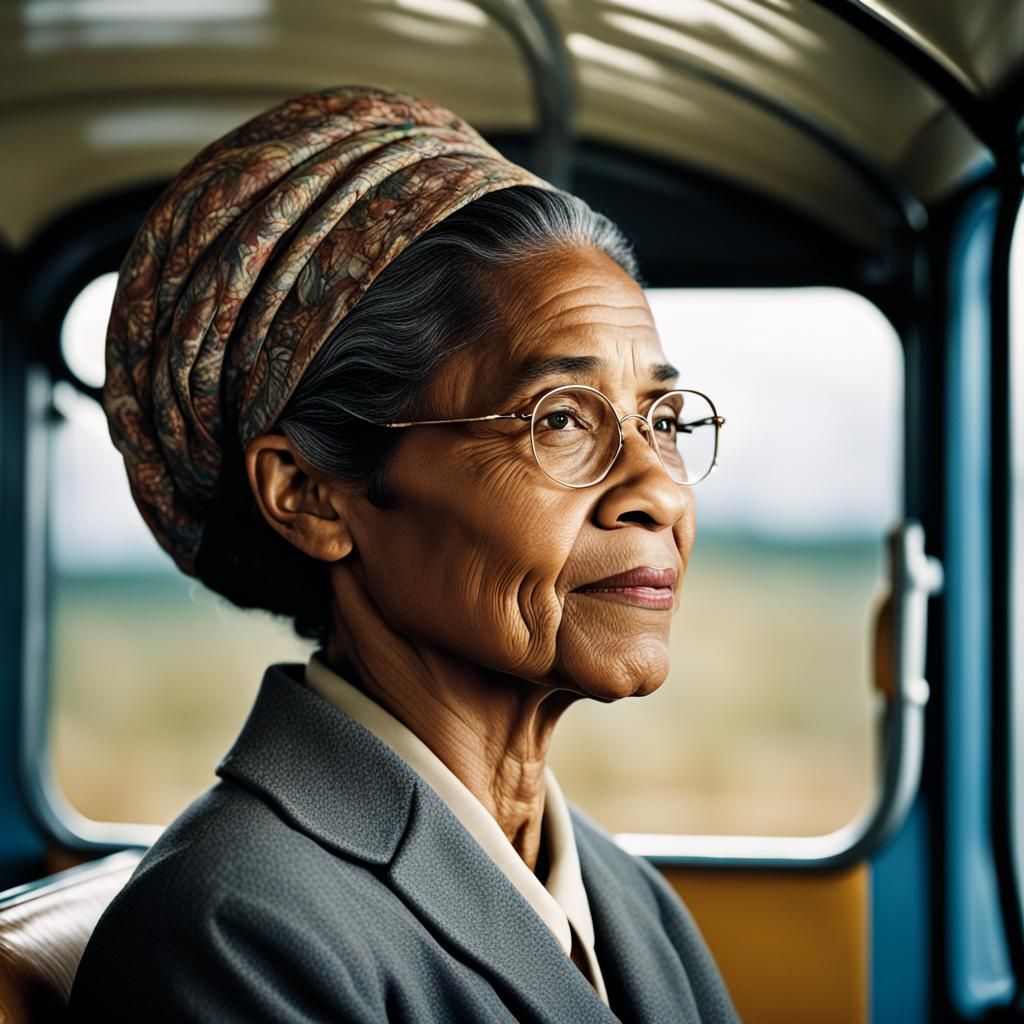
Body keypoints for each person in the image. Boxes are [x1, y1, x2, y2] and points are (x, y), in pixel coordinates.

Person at [67, 84, 738, 1023]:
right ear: (309, 496)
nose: (660, 490)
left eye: (662, 420)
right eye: (559, 419)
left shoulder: (634, 909)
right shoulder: (229, 934)